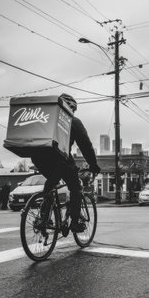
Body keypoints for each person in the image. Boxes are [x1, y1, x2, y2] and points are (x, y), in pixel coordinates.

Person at [31, 94, 100, 232]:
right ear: (70, 108)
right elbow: (86, 146)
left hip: (37, 157)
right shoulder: (73, 121)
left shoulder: (46, 119)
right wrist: (94, 165)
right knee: (75, 187)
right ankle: (74, 222)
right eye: (73, 110)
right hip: (59, 158)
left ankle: (43, 218)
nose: (73, 113)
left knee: (51, 181)